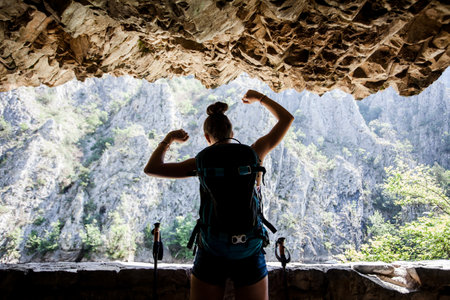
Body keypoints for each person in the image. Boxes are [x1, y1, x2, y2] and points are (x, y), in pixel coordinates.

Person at [144, 89, 294, 300]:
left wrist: (169, 139)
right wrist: (260, 98)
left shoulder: (202, 162)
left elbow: (152, 168)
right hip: (249, 248)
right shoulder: (254, 154)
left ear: (207, 137)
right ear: (232, 133)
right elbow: (287, 118)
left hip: (212, 250)